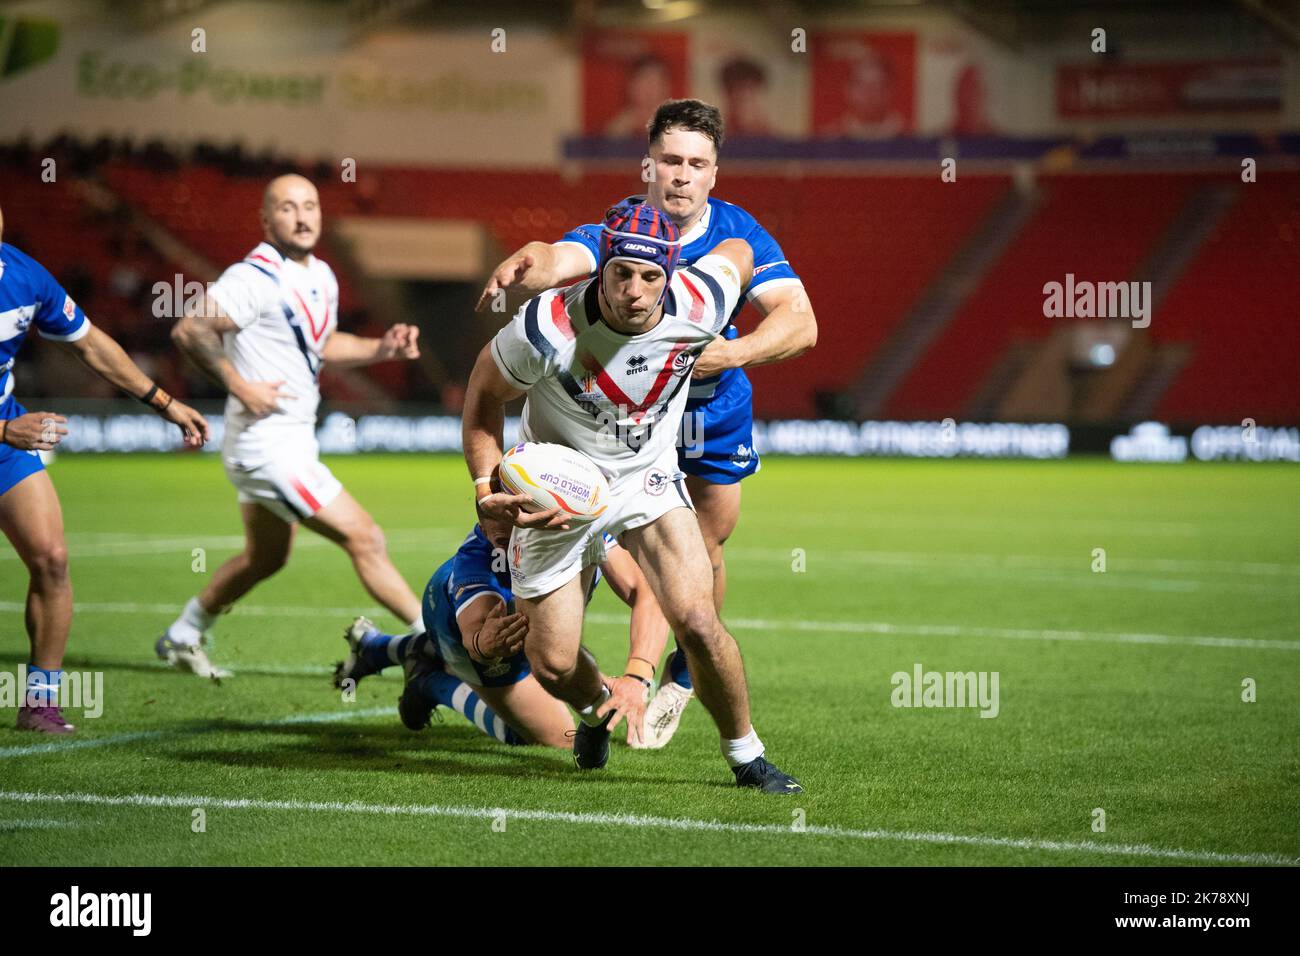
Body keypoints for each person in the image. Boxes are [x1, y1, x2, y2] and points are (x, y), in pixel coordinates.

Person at [475, 98, 816, 748]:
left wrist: (728, 353)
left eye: (696, 163)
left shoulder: (738, 235)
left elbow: (803, 324)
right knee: (616, 570)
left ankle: (680, 668)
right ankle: (627, 670)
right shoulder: (619, 234)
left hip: (706, 410)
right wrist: (530, 261)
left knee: (704, 551)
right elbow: (561, 259)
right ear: (647, 166)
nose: (682, 175)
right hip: (604, 422)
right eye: (670, 160)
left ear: (714, 173)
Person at [160, 174, 423, 679]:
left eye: (310, 205)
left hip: (287, 441)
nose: (302, 217)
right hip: (268, 447)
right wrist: (238, 383)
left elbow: (321, 345)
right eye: (287, 208)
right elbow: (190, 327)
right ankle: (433, 646)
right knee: (365, 538)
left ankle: (184, 633)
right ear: (266, 219)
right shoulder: (252, 277)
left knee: (266, 558)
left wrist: (380, 348)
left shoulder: (321, 274)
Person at [0, 203, 209, 733]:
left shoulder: (23, 276)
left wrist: (164, 402)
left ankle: (39, 702)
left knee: (51, 558)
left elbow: (90, 344)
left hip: (5, 441)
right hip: (7, 433)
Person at [334, 516, 669, 747]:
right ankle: (429, 681)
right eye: (486, 510)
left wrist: (637, 675)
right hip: (462, 624)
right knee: (557, 737)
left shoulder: (584, 527)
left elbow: (647, 594)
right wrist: (483, 644)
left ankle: (387, 647)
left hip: (522, 634)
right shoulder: (480, 556)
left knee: (564, 671)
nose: (489, 523)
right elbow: (478, 639)